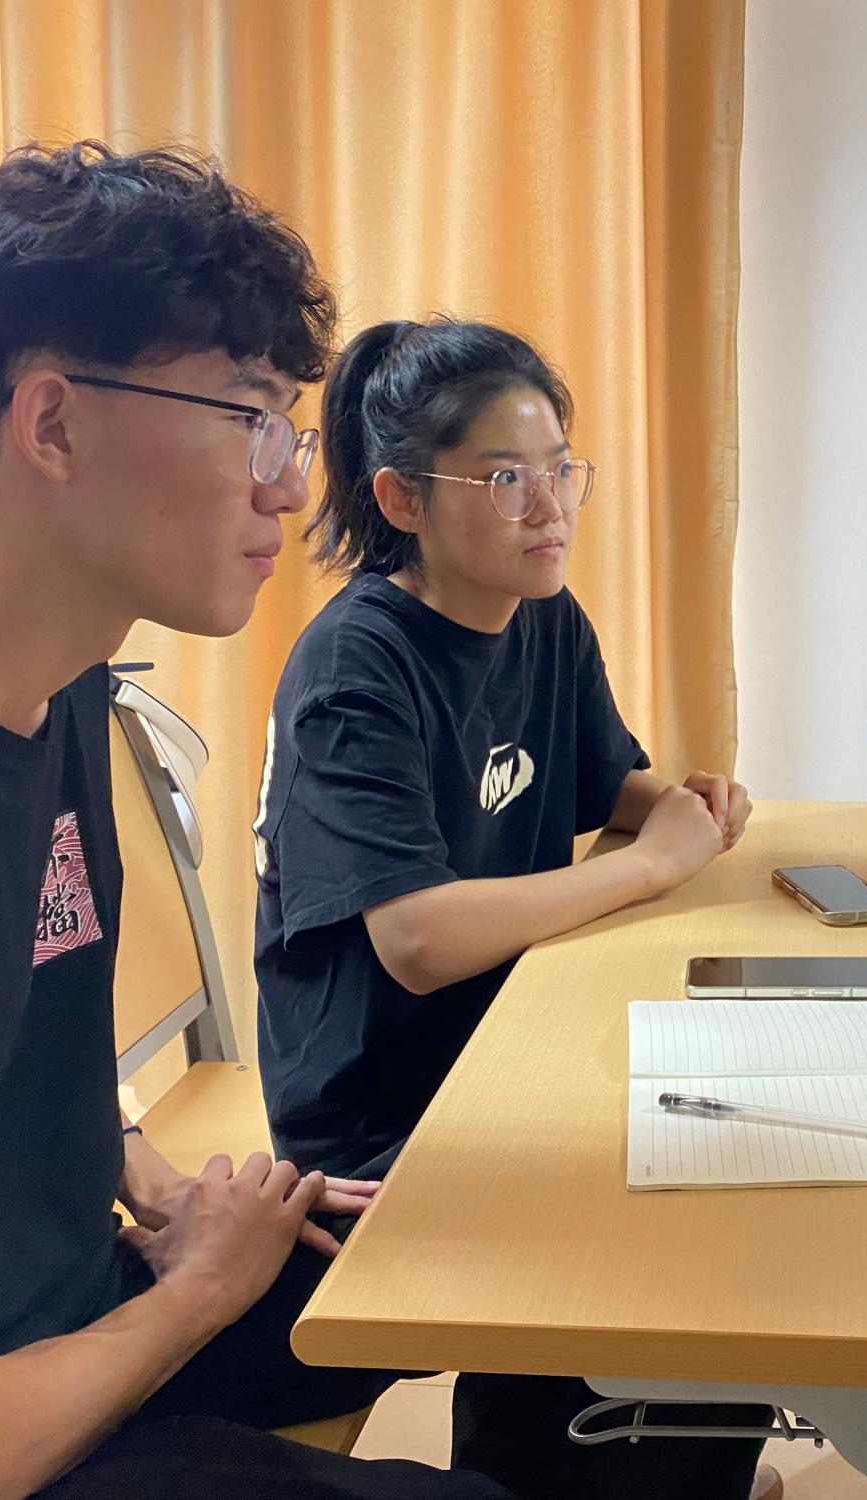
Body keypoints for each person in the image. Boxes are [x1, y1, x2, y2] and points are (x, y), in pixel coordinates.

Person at [0, 142, 513, 1500]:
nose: (290, 486)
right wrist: (203, 1289)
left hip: (68, 1303)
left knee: (505, 1250)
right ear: (51, 426)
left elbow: (7, 1033)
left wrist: (154, 1183)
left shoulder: (57, 676)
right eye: (248, 418)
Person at [252, 317, 766, 1500]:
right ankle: (558, 1474)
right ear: (402, 498)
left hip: (508, 1039)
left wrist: (676, 802)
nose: (548, 507)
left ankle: (676, 1473)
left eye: (558, 468)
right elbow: (417, 939)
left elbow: (606, 785)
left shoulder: (542, 617)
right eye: (502, 478)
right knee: (661, 1188)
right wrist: (649, 866)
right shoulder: (355, 668)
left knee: (730, 1145)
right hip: (379, 1119)